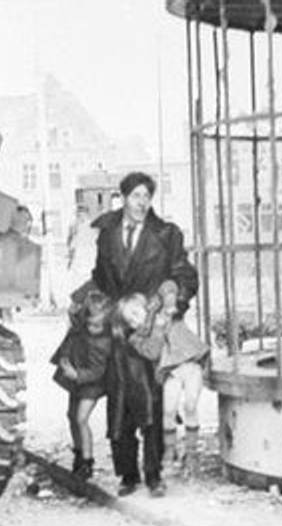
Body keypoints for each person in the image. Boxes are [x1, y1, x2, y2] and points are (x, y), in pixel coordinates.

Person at [87, 171, 198, 497]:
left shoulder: (166, 234)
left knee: (152, 403)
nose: (142, 203)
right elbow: (100, 276)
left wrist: (169, 303)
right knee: (119, 407)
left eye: (146, 197)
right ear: (123, 198)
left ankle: (154, 475)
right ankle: (127, 475)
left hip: (151, 332)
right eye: (136, 196)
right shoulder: (107, 235)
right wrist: (103, 308)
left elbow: (184, 275)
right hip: (118, 331)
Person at [127, 280, 210, 479]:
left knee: (190, 405)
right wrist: (154, 328)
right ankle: (170, 451)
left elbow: (171, 288)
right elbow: (152, 352)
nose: (138, 320)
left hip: (190, 364)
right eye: (131, 320)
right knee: (169, 410)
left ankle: (191, 453)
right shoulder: (138, 339)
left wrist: (165, 303)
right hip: (171, 370)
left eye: (139, 313)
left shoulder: (171, 315)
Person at [49, 289, 114, 482]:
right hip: (77, 379)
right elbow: (75, 310)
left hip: (92, 383)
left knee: (81, 418)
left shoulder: (103, 342)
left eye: (99, 325)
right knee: (72, 416)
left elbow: (98, 371)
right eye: (91, 324)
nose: (94, 328)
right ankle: (78, 453)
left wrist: (77, 374)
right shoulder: (82, 327)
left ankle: (87, 461)